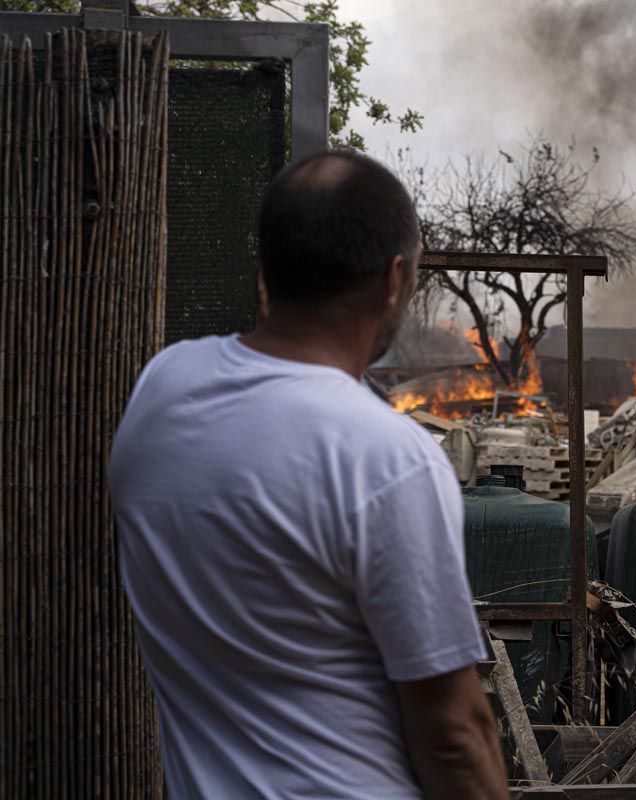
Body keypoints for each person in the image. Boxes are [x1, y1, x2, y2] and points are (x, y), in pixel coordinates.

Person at [109, 151, 508, 800]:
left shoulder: (160, 393)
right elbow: (453, 735)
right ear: (394, 278)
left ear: (266, 272)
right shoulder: (388, 458)